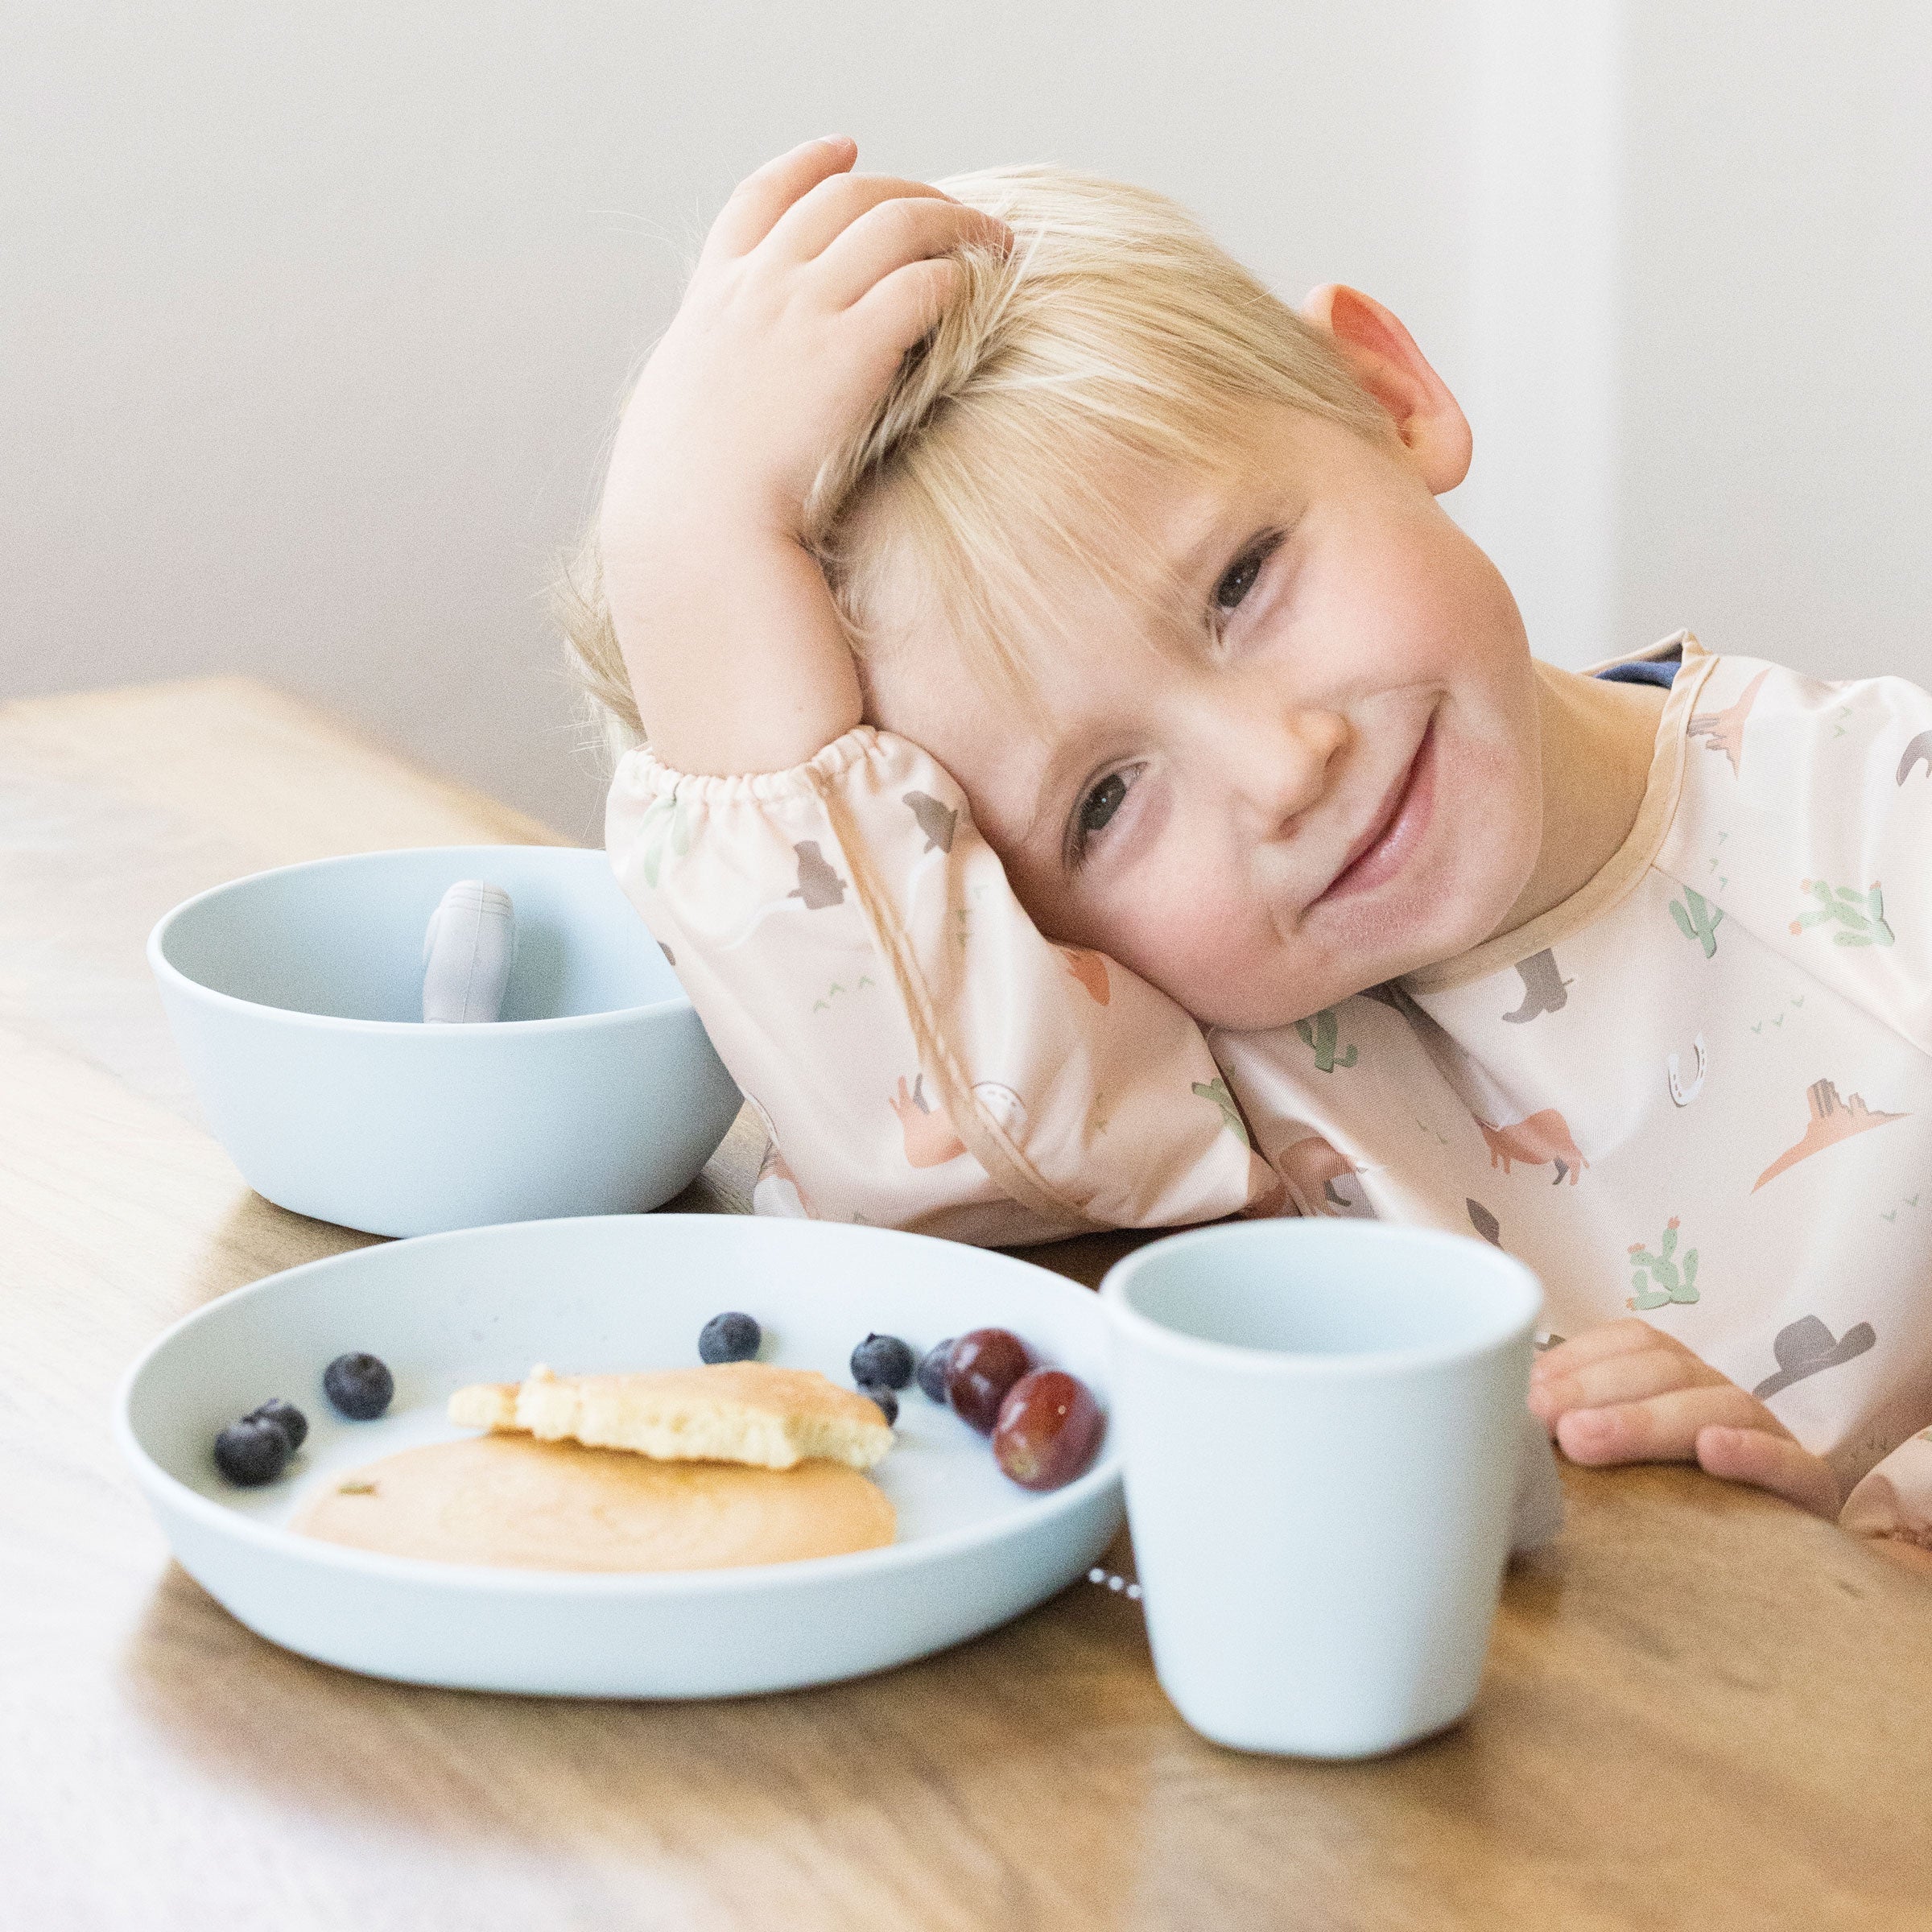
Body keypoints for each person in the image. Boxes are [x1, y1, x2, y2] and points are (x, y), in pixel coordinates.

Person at [564, 137, 1932, 1561]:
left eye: (1242, 582)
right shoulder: (1167, 1077)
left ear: (1384, 394)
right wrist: (693, 556)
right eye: (1103, 802)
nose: (1284, 770)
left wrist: (1853, 1539)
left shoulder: (1892, 841)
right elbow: (907, 1116)